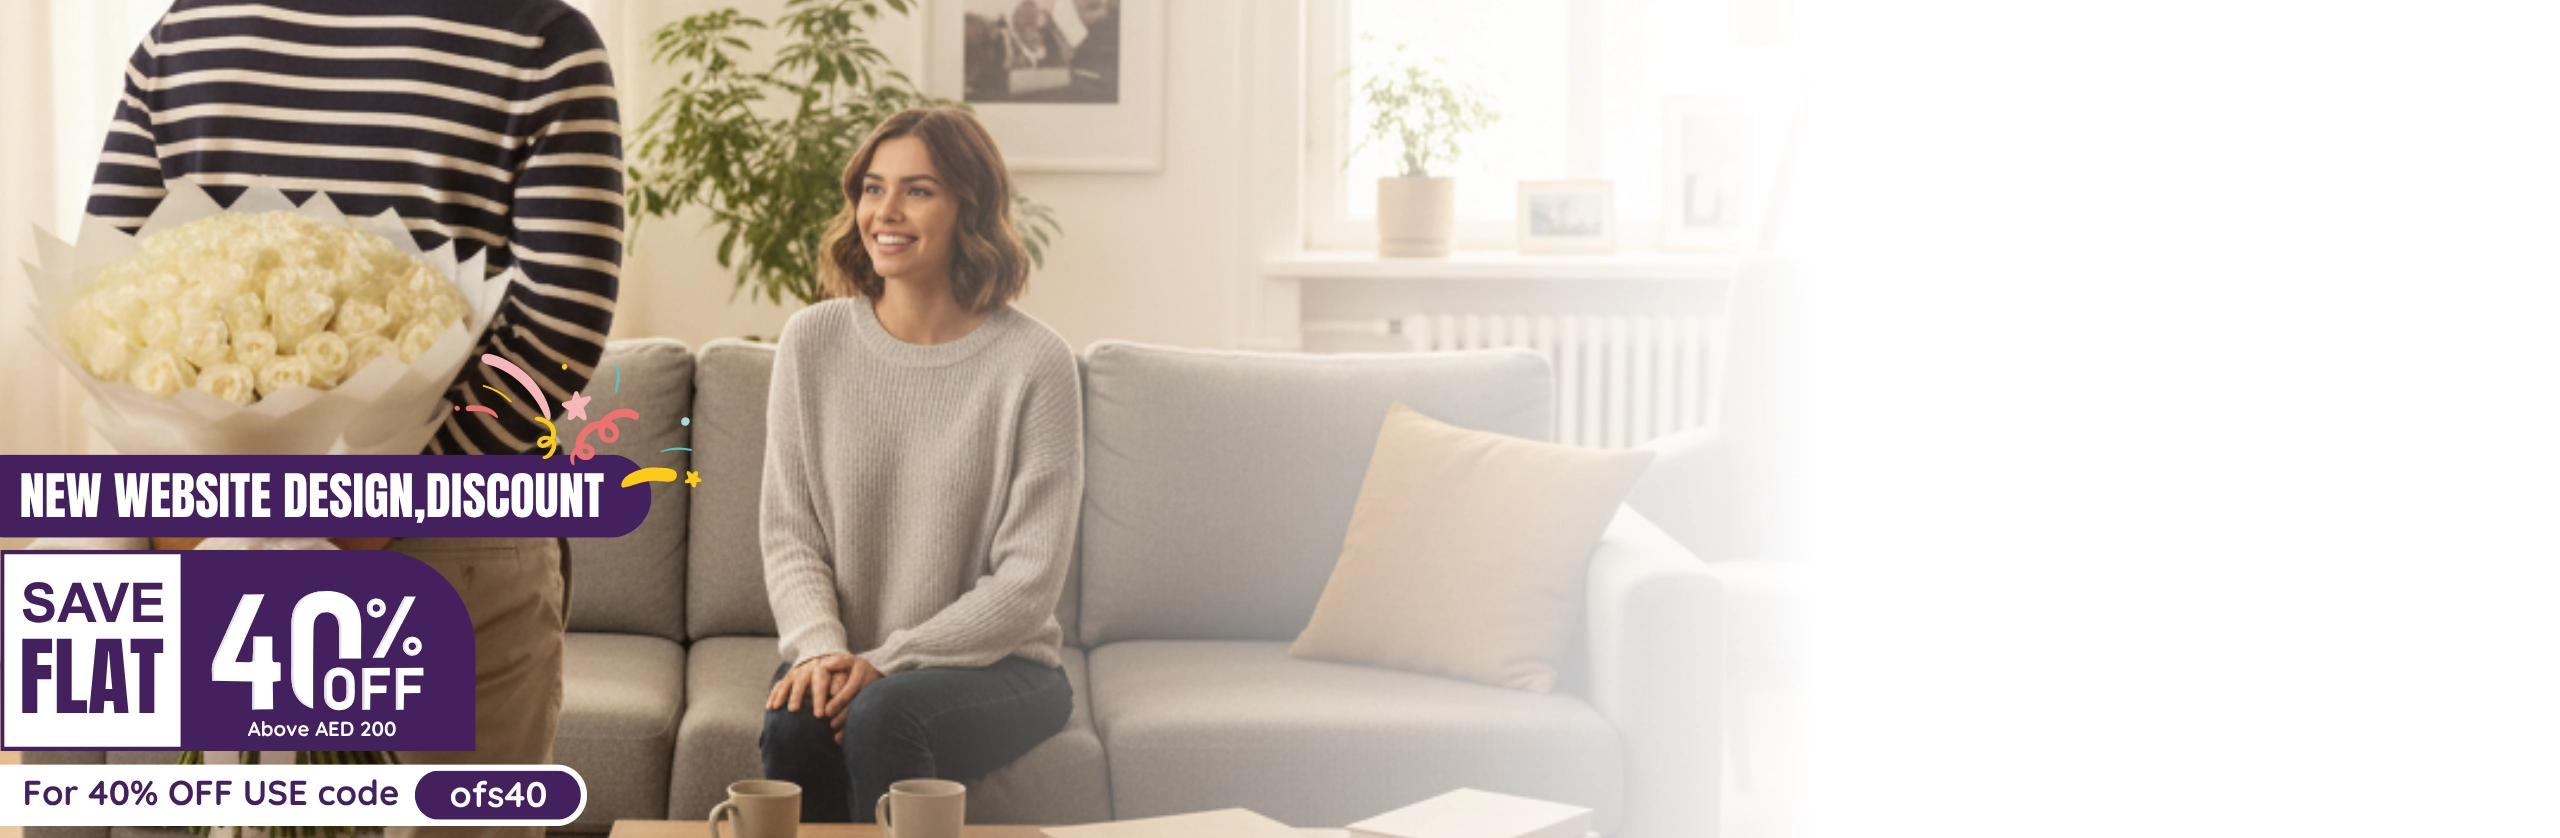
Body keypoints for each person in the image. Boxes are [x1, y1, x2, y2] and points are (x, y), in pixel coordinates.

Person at [82, 3, 622, 836]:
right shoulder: (541, 38)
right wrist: (385, 496)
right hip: (448, 540)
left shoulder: (189, 30)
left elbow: (105, 288)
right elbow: (559, 330)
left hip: (216, 528)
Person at [758, 107, 1081, 823]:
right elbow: (790, 536)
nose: (885, 212)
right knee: (792, 724)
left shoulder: (1035, 363)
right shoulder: (811, 343)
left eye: (918, 190)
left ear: (972, 207)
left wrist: (889, 661)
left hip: (1003, 667)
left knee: (883, 714)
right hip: (849, 659)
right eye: (873, 189)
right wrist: (819, 652)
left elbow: (1028, 584)